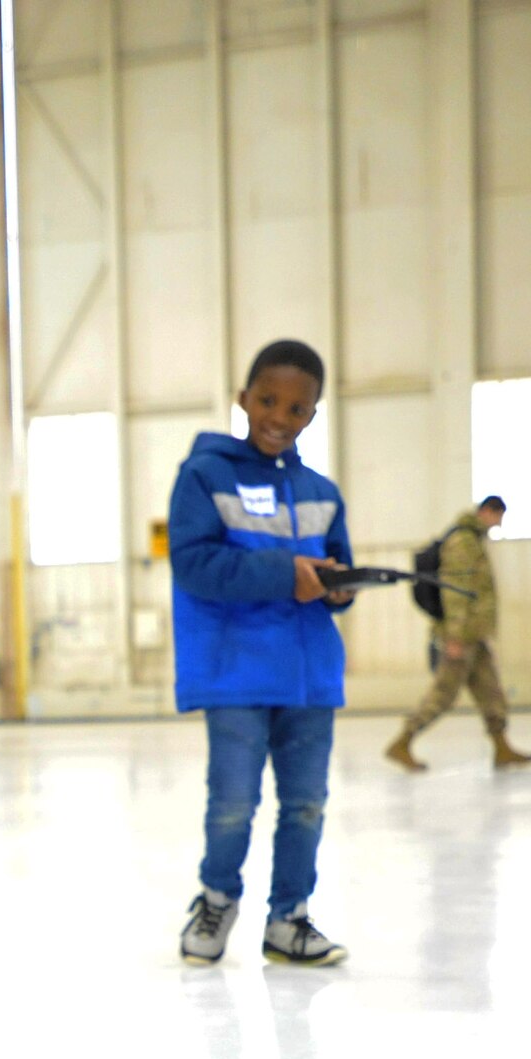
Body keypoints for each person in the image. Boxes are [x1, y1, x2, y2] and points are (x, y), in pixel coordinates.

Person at [169, 339, 351, 968]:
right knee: (234, 803)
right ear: (243, 399)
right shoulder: (205, 476)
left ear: (313, 414)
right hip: (235, 673)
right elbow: (193, 565)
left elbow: (335, 573)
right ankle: (217, 900)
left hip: (309, 677)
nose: (279, 416)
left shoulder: (322, 491)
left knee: (305, 805)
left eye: (297, 408)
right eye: (267, 400)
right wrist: (288, 575)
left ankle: (288, 920)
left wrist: (340, 586)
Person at [385, 496, 531, 772]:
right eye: (497, 515)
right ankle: (403, 741)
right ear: (486, 511)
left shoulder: (474, 539)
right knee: (443, 695)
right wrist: (454, 636)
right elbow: (454, 591)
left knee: (492, 693)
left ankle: (502, 747)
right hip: (461, 636)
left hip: (475, 635)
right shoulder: (462, 541)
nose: (498, 522)